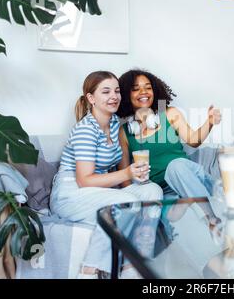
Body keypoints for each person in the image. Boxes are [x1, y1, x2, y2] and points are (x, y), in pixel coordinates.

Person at [50, 71, 163, 278]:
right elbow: (84, 180)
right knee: (126, 203)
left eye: (117, 91)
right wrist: (126, 174)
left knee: (152, 191)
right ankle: (90, 269)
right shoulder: (86, 130)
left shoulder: (113, 125)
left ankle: (134, 262)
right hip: (71, 193)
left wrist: (134, 175)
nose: (114, 96)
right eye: (106, 91)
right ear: (91, 98)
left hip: (99, 190)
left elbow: (122, 176)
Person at [117, 69, 221, 228]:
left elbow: (193, 141)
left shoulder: (170, 114)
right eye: (136, 89)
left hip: (190, 177)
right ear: (126, 94)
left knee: (175, 166)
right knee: (170, 217)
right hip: (164, 192)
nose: (143, 92)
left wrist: (210, 122)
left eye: (148, 87)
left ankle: (213, 221)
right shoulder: (125, 133)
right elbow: (125, 179)